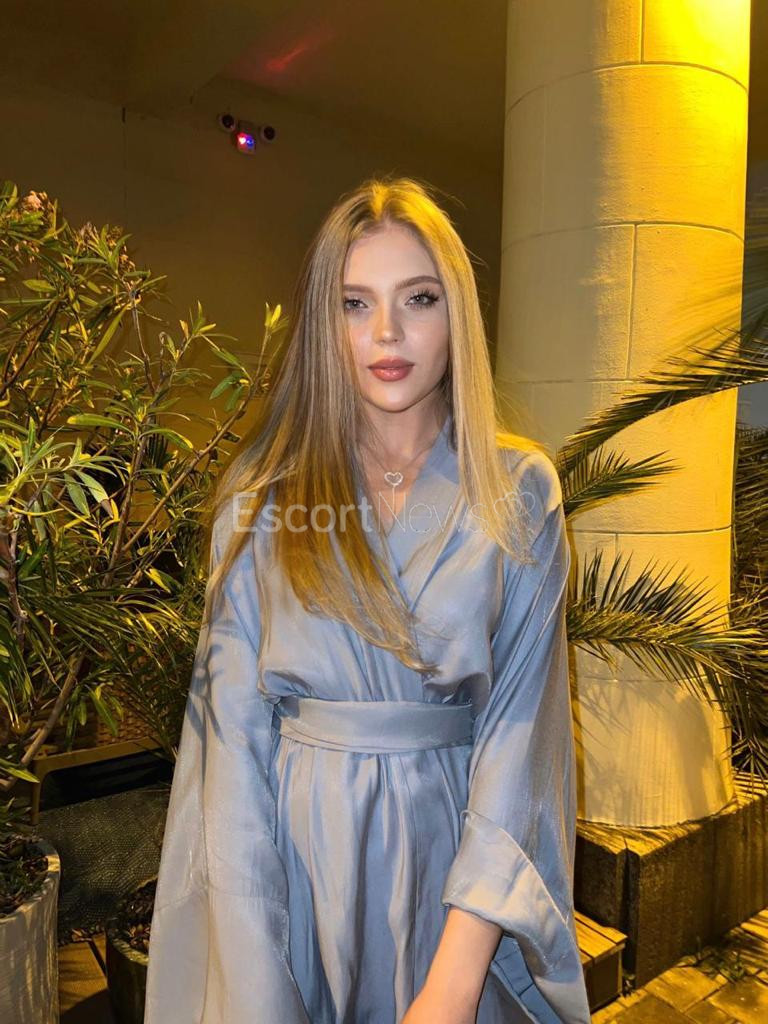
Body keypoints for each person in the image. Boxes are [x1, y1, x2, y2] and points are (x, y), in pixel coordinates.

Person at [142, 176, 592, 1024]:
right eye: (355, 303)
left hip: (453, 875)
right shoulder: (262, 497)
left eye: (418, 298)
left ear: (457, 313)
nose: (387, 332)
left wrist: (454, 984)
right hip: (296, 877)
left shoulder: (519, 489)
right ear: (325, 321)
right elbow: (229, 754)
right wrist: (256, 974)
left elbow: (519, 745)